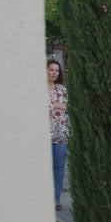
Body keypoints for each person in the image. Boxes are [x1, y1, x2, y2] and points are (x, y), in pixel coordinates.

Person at [47, 59, 69, 210]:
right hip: (43, 134)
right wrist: (56, 105)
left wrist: (52, 105)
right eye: (51, 69)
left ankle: (56, 199)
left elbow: (67, 106)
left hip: (61, 134)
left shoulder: (62, 89)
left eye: (57, 70)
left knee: (59, 167)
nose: (54, 72)